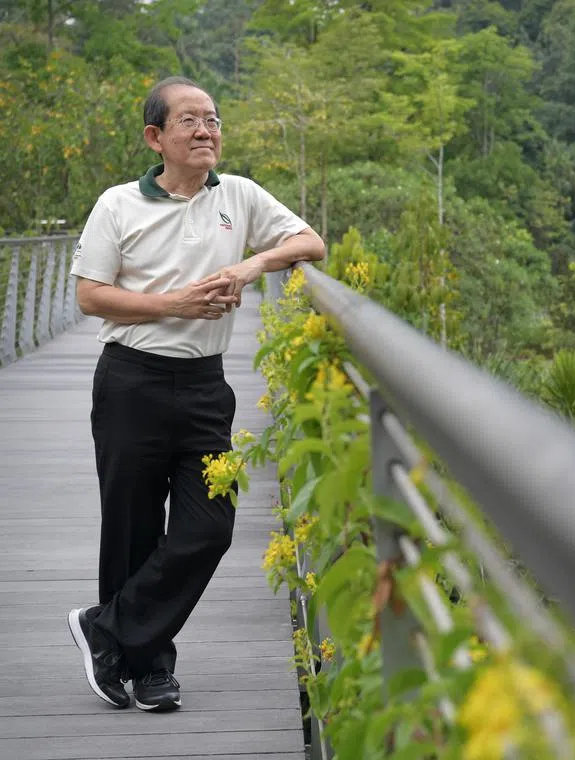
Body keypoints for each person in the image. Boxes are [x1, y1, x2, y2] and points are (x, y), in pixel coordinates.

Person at [66, 76, 325, 712]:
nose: (206, 130)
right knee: (131, 529)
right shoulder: (117, 205)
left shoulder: (236, 195)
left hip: (207, 385)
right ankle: (149, 670)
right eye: (190, 121)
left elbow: (310, 242)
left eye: (212, 119)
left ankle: (106, 630)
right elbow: (90, 295)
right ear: (156, 137)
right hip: (131, 379)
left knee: (209, 527)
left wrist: (251, 264)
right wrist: (172, 303)